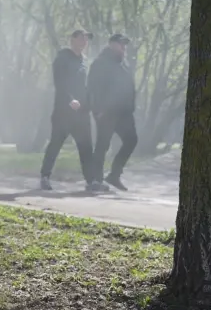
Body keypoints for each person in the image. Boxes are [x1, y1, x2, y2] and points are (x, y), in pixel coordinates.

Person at [39, 30, 105, 192]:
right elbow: (59, 83)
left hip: (81, 113)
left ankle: (91, 181)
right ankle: (45, 176)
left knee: (86, 147)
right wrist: (70, 99)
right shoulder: (62, 58)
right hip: (63, 112)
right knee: (55, 144)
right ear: (73, 39)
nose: (84, 41)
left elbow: (86, 88)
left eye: (86, 39)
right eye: (82, 38)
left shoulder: (84, 61)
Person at [87, 33, 137, 191]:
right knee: (103, 145)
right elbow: (92, 88)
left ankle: (114, 175)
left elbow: (129, 87)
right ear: (111, 44)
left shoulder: (124, 64)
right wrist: (97, 110)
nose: (124, 46)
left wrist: (132, 106)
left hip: (124, 112)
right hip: (106, 112)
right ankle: (95, 180)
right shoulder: (100, 63)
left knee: (131, 140)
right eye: (121, 43)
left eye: (125, 44)